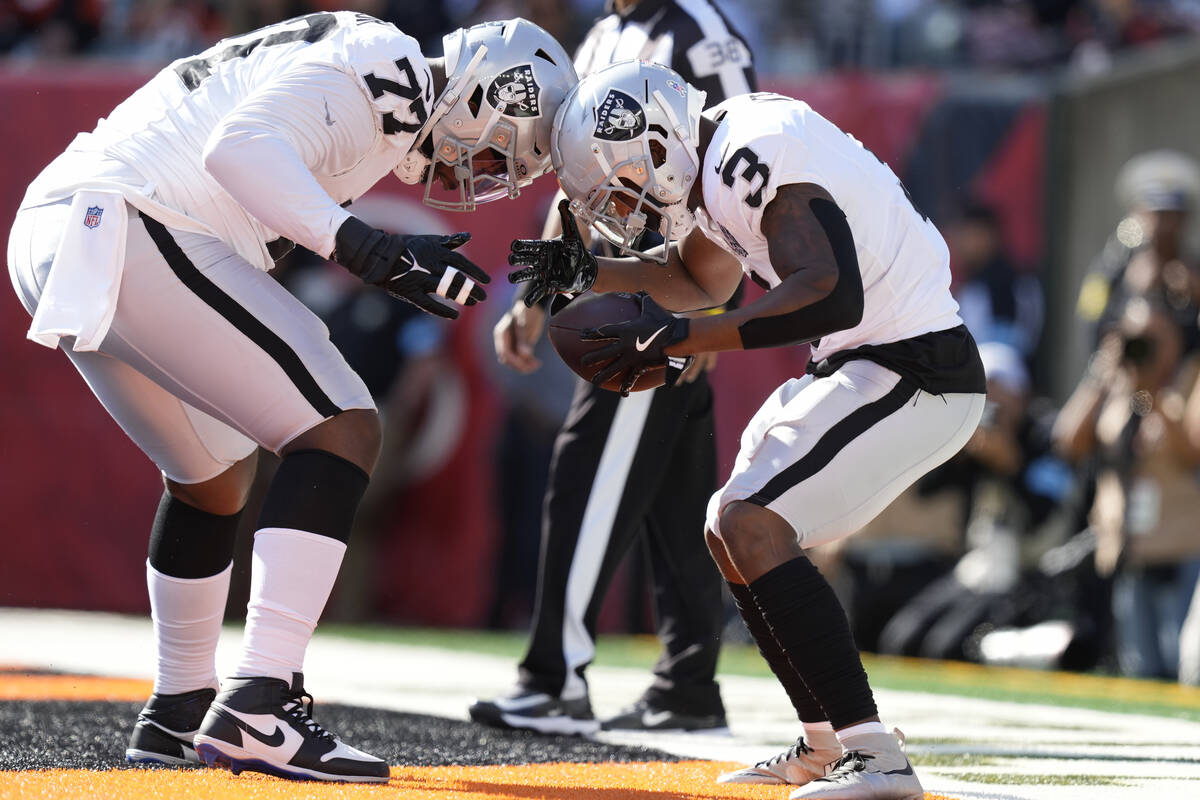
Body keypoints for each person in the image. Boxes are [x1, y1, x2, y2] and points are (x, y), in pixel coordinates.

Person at [6, 12, 576, 783]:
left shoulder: (369, 75)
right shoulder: (390, 73)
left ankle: (177, 710)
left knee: (214, 473)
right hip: (132, 220)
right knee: (341, 423)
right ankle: (260, 698)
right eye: (500, 145)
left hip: (71, 227)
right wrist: (365, 248)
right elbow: (239, 150)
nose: (485, 169)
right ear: (481, 92)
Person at [510, 61, 985, 798]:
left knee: (752, 520)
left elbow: (828, 292)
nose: (620, 201)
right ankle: (827, 745)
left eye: (621, 180)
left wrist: (678, 341)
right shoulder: (722, 164)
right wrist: (588, 269)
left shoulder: (748, 151)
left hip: (914, 368)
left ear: (658, 144)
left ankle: (877, 757)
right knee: (726, 528)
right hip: (866, 364)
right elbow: (701, 282)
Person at [472, 0, 755, 735]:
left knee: (585, 469)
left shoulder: (700, 33)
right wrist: (535, 295)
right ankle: (689, 684)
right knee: (671, 493)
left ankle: (553, 677)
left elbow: (735, 175)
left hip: (665, 297)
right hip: (620, 283)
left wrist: (706, 320)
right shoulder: (603, 34)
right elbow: (578, 183)